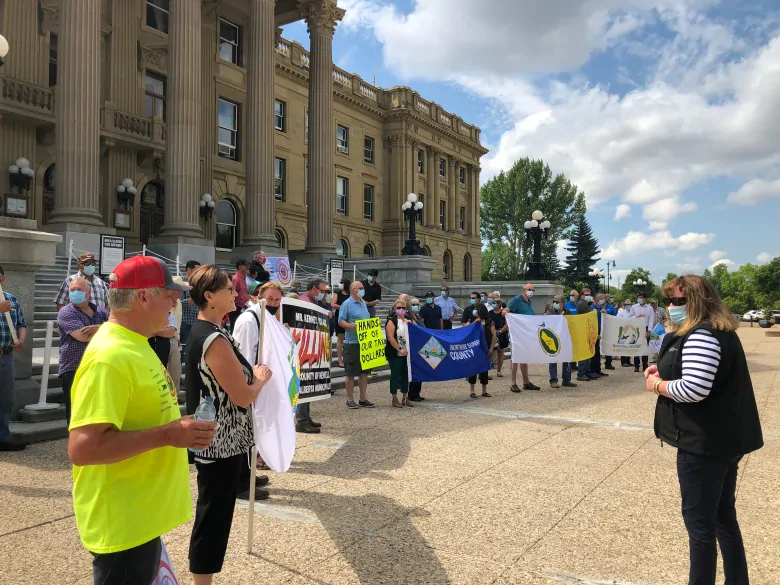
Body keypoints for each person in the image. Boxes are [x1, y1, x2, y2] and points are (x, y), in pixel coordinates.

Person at [67, 255, 215, 584]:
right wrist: (168, 435)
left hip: (139, 516)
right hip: (123, 523)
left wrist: (180, 426)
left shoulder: (136, 342)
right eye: (170, 293)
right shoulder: (110, 356)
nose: (177, 301)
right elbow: (84, 448)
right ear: (144, 297)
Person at [644, 275, 763, 585]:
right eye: (669, 300)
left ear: (699, 300)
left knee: (700, 526)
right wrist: (665, 369)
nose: (672, 306)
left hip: (703, 443)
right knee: (724, 517)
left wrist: (658, 385)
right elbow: (697, 369)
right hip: (724, 439)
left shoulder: (701, 334)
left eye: (679, 301)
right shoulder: (718, 330)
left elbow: (694, 388)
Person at [184, 265, 273, 584]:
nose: (236, 293)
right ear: (209, 297)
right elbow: (241, 395)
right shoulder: (213, 339)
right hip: (220, 442)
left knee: (215, 514)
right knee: (213, 517)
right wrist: (260, 380)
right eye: (228, 290)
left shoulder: (208, 331)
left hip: (220, 439)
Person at [232, 282, 283, 492]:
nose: (272, 304)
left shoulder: (267, 319)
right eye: (269, 299)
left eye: (277, 300)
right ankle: (241, 481)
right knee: (245, 432)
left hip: (259, 383)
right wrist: (250, 386)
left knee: (253, 431)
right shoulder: (248, 321)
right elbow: (242, 357)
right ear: (258, 297)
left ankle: (249, 473)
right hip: (248, 383)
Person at [56, 278, 109, 425]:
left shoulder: (100, 311)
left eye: (79, 290)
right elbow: (83, 336)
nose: (74, 293)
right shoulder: (66, 312)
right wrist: (106, 328)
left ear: (88, 292)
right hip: (75, 368)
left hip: (99, 366)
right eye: (72, 290)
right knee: (76, 412)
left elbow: (118, 327)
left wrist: (99, 327)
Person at [296, 278, 332, 432]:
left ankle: (305, 417)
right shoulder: (304, 302)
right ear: (313, 289)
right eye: (322, 291)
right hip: (304, 351)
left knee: (309, 386)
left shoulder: (313, 302)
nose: (323, 294)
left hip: (311, 349)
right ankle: (301, 420)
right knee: (304, 386)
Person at [0, 265, 28, 451]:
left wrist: (21, 339)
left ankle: (3, 436)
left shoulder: (11, 299)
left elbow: (21, 323)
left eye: (1, 278)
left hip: (5, 356)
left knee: (5, 398)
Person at [338, 281, 375, 409]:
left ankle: (363, 398)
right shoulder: (347, 304)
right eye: (361, 288)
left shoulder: (363, 303)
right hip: (352, 343)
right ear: (353, 290)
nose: (363, 290)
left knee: (364, 372)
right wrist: (349, 326)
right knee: (350, 372)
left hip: (365, 342)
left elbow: (366, 319)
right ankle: (349, 399)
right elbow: (340, 321)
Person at [504, 283, 540, 392]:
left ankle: (526, 382)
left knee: (524, 357)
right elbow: (507, 309)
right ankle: (513, 383)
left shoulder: (529, 302)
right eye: (530, 289)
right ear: (524, 290)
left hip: (526, 334)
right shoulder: (517, 299)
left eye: (533, 290)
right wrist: (505, 312)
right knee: (515, 358)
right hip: (517, 333)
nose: (532, 292)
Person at [545, 296, 576, 389]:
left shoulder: (568, 312)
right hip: (553, 339)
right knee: (553, 359)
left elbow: (572, 324)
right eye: (553, 301)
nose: (554, 303)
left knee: (567, 359)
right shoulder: (550, 312)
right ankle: (553, 380)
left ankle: (566, 380)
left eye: (557, 301)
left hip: (565, 338)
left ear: (562, 303)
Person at [386, 299, 412, 408]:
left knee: (406, 374)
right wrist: (399, 349)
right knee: (395, 374)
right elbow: (390, 337)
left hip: (407, 353)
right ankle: (394, 397)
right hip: (395, 353)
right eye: (399, 308)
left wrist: (411, 324)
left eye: (403, 308)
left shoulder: (408, 320)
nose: (401, 310)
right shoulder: (392, 321)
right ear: (395, 309)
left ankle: (405, 396)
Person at [465, 303, 495, 399]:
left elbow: (494, 335)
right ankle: (472, 391)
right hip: (474, 349)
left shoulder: (490, 321)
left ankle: (484, 391)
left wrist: (491, 348)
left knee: (484, 370)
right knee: (472, 370)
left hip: (484, 349)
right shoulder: (471, 320)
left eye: (476, 309)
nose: (474, 311)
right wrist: (474, 323)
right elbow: (465, 330)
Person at [575, 288, 600, 382]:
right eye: (586, 294)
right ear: (582, 296)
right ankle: (581, 373)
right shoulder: (581, 304)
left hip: (587, 331)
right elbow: (591, 314)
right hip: (583, 331)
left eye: (589, 294)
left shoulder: (586, 304)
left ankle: (587, 371)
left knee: (588, 353)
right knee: (584, 353)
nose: (588, 296)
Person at [631, 291, 655, 373]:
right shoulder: (634, 307)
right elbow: (630, 317)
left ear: (645, 299)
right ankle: (636, 366)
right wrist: (636, 317)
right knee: (636, 346)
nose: (639, 299)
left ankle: (645, 366)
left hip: (645, 327)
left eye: (641, 298)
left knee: (645, 347)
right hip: (636, 328)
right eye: (639, 298)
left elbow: (651, 319)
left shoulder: (649, 308)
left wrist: (649, 330)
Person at [180, 260, 201, 346]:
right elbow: (176, 302)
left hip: (197, 322)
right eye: (197, 270)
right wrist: (189, 301)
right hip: (185, 322)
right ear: (189, 269)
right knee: (185, 347)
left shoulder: (198, 284)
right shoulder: (181, 283)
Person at [332, 278, 351, 368]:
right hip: (340, 317)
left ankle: (348, 358)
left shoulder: (351, 295)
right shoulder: (338, 293)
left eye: (341, 283)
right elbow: (333, 304)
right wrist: (344, 308)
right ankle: (340, 359)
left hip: (350, 319)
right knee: (340, 339)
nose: (340, 284)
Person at [590, 293, 610, 378]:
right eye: (602, 299)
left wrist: (606, 313)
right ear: (596, 300)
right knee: (593, 353)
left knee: (598, 352)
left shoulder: (601, 308)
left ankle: (598, 370)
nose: (603, 300)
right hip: (594, 333)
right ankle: (593, 370)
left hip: (601, 333)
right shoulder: (592, 308)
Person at [228, 260, 250, 330]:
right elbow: (231, 293)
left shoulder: (243, 278)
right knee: (235, 328)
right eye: (246, 265)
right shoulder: (236, 279)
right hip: (236, 308)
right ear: (240, 266)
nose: (248, 267)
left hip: (243, 306)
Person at [489, 299, 509, 377]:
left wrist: (500, 331)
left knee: (501, 352)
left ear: (499, 304)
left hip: (502, 333)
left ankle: (499, 370)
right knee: (490, 351)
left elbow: (507, 324)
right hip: (492, 333)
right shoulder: (490, 313)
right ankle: (487, 371)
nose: (493, 304)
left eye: (494, 303)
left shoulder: (503, 313)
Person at [603, 295, 618, 370]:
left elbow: (615, 318)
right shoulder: (598, 307)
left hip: (609, 330)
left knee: (609, 346)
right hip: (600, 329)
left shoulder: (611, 308)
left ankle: (608, 363)